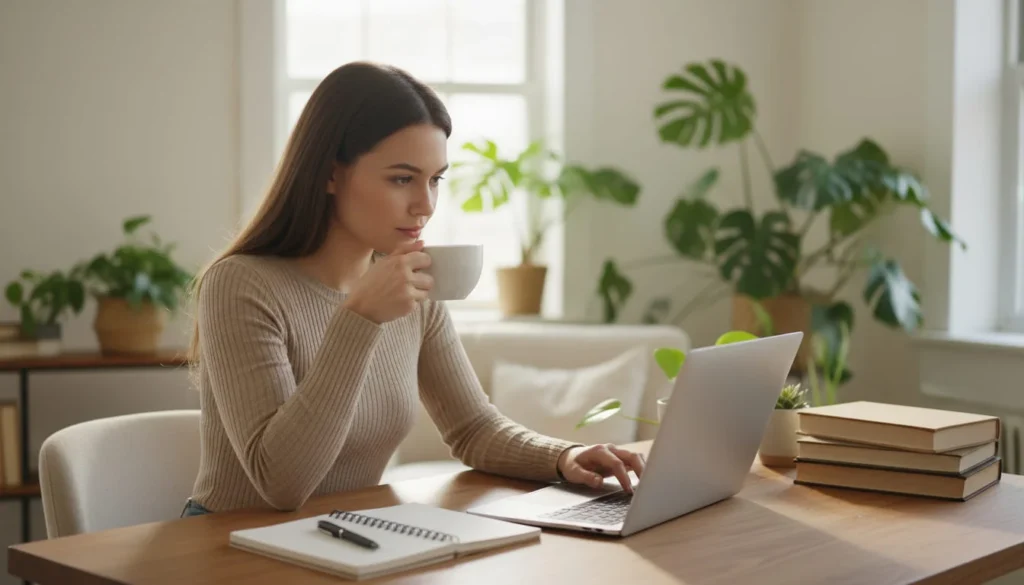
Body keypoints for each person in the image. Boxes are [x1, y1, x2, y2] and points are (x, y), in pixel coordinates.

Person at [180, 61, 645, 518]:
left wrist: (562, 457)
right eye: (402, 178)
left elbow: (473, 428)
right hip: (230, 545)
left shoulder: (412, 286)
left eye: (435, 179)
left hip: (346, 536)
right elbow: (281, 484)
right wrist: (358, 319)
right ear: (329, 173)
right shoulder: (240, 285)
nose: (425, 205)